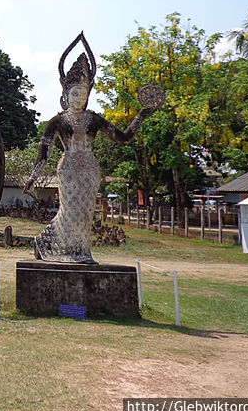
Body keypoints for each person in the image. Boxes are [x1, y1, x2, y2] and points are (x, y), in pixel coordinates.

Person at [26, 33, 159, 263]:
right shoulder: (57, 121)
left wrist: (141, 116)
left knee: (86, 214)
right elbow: (44, 155)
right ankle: (56, 248)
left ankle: (79, 252)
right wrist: (33, 177)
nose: (79, 97)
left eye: (83, 93)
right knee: (69, 212)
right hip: (68, 169)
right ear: (66, 95)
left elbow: (124, 138)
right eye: (74, 93)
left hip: (89, 169)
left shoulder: (94, 119)